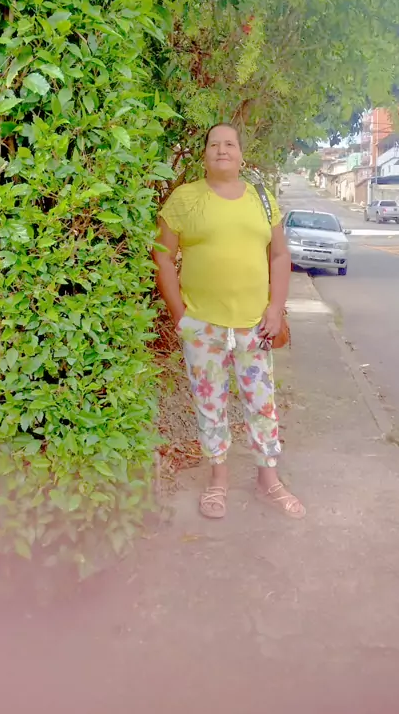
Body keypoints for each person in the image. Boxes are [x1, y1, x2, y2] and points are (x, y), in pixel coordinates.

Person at [153, 123, 305, 520]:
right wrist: (180, 316)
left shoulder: (261, 199)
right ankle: (218, 480)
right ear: (204, 155)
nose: (222, 150)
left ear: (241, 154)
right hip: (202, 326)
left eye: (230, 144)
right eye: (214, 144)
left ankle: (268, 480)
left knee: (262, 404)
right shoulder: (185, 200)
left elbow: (279, 256)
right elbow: (162, 256)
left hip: (255, 326)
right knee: (210, 405)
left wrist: (275, 308)